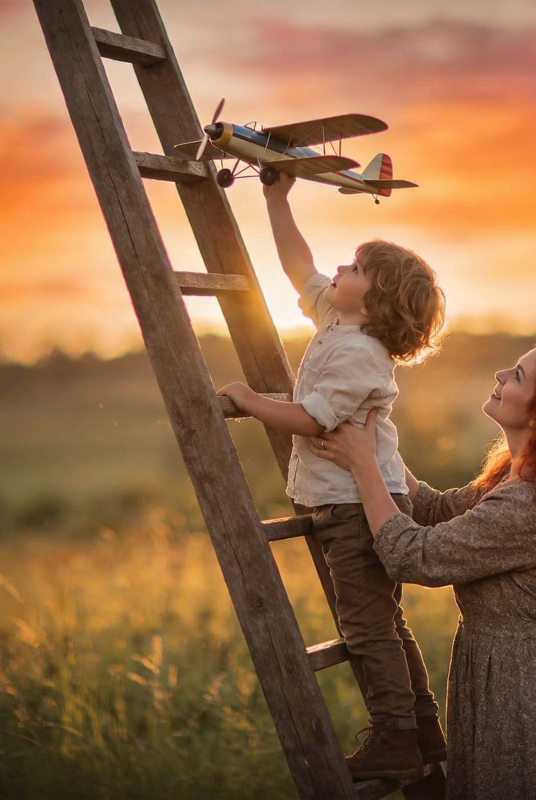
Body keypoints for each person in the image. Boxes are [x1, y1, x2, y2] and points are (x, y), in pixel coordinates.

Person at [309, 332, 536, 800]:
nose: (500, 374)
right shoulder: (517, 484)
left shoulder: (530, 505)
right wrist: (376, 445)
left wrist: (364, 467)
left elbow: (414, 556)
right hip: (507, 681)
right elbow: (433, 509)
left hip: (529, 697)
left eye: (517, 375)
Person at [218, 172, 447, 781]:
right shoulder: (339, 320)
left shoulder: (359, 354)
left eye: (355, 268)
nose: (340, 269)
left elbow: (313, 419)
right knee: (385, 620)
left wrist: (249, 401)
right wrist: (276, 199)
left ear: (370, 305)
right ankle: (422, 729)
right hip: (350, 498)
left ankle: (396, 737)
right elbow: (301, 269)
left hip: (355, 505)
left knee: (367, 625)